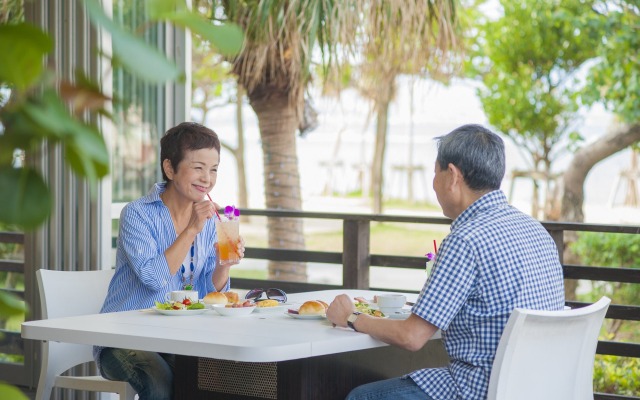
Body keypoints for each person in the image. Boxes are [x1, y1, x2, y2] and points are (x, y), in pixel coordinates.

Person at [327, 124, 565, 400]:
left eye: (435, 172)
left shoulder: (466, 240)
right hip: (538, 389)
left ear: (452, 175)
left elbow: (412, 336)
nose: (434, 183)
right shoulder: (536, 230)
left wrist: (352, 317)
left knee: (362, 397)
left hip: (479, 391)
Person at [94, 122, 245, 400]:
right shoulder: (137, 214)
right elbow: (153, 279)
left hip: (178, 335)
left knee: (212, 379)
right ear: (170, 168)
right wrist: (191, 230)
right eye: (198, 167)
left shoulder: (210, 221)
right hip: (123, 338)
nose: (207, 178)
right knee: (161, 384)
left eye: (214, 169)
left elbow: (209, 293)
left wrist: (224, 264)